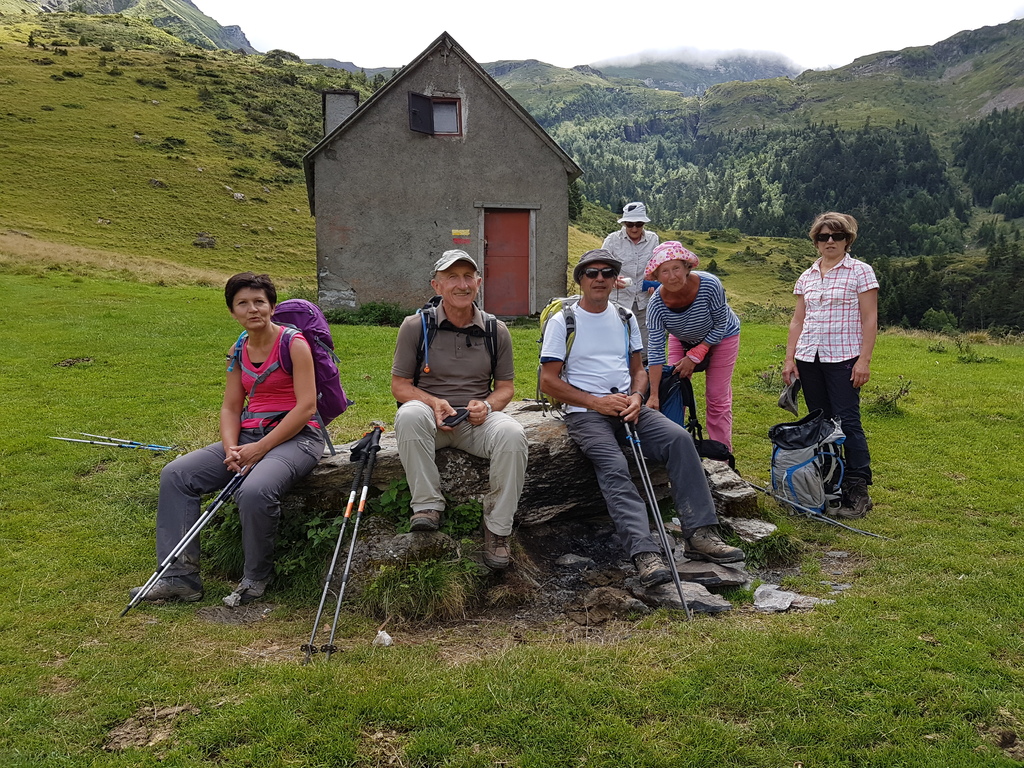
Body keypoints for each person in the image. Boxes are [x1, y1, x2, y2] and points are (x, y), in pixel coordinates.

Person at [539, 249, 743, 587]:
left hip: (629, 406)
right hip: (585, 413)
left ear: (614, 280)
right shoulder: (564, 320)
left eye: (607, 273)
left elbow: (638, 370)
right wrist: (596, 402)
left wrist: (637, 397)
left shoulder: (624, 317)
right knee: (613, 464)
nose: (600, 279)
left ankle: (700, 533)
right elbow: (548, 380)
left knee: (679, 439)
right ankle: (645, 552)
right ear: (580, 280)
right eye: (592, 273)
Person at [131, 273, 326, 606]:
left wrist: (259, 449)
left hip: (298, 437)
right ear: (232, 311)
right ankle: (179, 579)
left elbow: (307, 406)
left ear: (272, 307)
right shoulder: (238, 349)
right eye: (243, 303)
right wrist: (232, 448)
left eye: (260, 302)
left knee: (253, 490)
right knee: (177, 474)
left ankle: (255, 578)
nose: (253, 309)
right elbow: (231, 407)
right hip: (249, 436)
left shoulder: (294, 344)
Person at [391, 250, 528, 569]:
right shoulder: (415, 326)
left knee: (513, 433)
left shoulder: (496, 330)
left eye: (468, 277)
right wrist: (433, 402)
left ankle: (498, 529)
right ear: (436, 286)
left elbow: (505, 387)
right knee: (408, 414)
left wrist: (487, 405)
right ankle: (427, 507)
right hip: (430, 421)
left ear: (478, 283)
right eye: (452, 277)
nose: (462, 284)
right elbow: (400, 386)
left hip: (475, 423)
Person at [782, 212, 879, 519]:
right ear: (816, 242)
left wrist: (864, 360)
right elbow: (798, 320)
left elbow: (870, 319)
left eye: (837, 236)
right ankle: (828, 478)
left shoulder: (860, 272)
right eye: (823, 237)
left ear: (848, 240)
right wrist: (790, 358)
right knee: (821, 422)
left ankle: (857, 487)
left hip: (844, 358)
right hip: (809, 358)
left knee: (847, 421)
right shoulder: (807, 276)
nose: (830, 241)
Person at [645, 241, 742, 450]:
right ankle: (677, 449)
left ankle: (721, 454)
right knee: (673, 390)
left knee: (716, 397)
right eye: (664, 271)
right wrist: (654, 394)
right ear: (656, 276)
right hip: (682, 339)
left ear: (687, 267)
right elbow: (655, 350)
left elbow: (721, 324)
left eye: (676, 268)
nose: (672, 276)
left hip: (723, 336)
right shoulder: (656, 306)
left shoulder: (710, 284)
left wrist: (696, 354)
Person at [602, 201, 660, 352]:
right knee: (616, 342)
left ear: (644, 223)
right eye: (630, 224)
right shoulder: (611, 240)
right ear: (624, 223)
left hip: (644, 301)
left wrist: (655, 281)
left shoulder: (653, 239)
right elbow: (601, 267)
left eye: (638, 224)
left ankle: (643, 366)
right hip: (618, 301)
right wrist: (612, 280)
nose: (634, 228)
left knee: (644, 345)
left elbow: (658, 265)